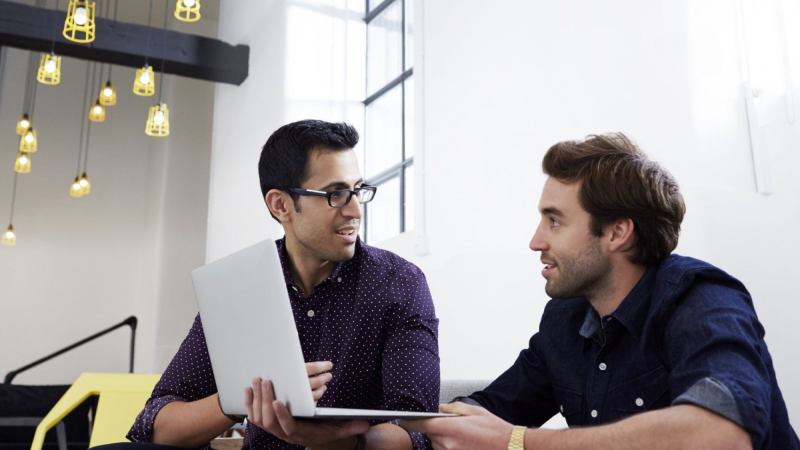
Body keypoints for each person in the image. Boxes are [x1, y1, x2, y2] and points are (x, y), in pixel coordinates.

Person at [402, 133, 799, 450]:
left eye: (555, 221)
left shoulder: (701, 297)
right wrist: (398, 430)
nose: (536, 241)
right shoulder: (565, 318)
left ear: (616, 232)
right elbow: (495, 407)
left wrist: (517, 442)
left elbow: (720, 435)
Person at [128, 120, 440, 450]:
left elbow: (421, 432)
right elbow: (155, 427)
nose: (354, 210)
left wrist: (333, 442)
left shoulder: (400, 283)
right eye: (335, 194)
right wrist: (241, 397)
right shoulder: (238, 290)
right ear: (280, 205)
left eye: (358, 190)